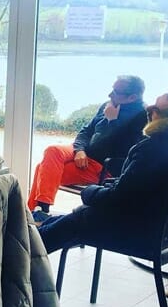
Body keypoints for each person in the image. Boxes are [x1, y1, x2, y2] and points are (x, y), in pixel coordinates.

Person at [39, 91, 168, 259]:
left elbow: (118, 199)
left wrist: (89, 191)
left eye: (156, 109)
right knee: (61, 221)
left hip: (138, 231)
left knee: (78, 217)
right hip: (165, 230)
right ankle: (28, 240)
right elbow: (139, 187)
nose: (149, 110)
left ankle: (16, 262)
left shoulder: (152, 148)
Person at [28, 75, 147, 217]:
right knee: (52, 151)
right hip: (84, 153)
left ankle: (35, 212)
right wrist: (79, 150)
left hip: (103, 166)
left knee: (42, 168)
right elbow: (85, 132)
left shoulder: (142, 116)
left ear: (132, 97)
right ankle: (39, 212)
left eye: (115, 92)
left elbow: (117, 146)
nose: (110, 94)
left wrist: (110, 121)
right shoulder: (108, 105)